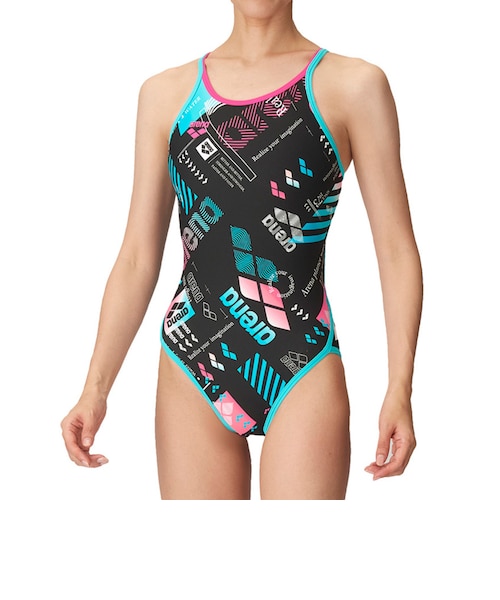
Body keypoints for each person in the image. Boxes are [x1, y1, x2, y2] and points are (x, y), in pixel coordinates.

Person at [61, 0, 422, 500]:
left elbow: (396, 249)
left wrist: (400, 388)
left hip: (301, 361)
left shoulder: (350, 85)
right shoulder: (167, 94)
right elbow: (137, 256)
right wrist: (95, 388)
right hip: (193, 357)